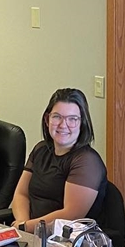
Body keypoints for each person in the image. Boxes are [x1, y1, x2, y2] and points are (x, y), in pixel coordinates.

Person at [10, 88, 107, 233]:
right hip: (32, 234)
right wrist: (22, 224)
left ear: (82, 123)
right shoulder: (41, 149)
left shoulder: (87, 162)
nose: (63, 125)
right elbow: (21, 194)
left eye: (72, 119)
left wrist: (26, 227)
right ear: (47, 120)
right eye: (57, 117)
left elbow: (70, 215)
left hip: (65, 243)